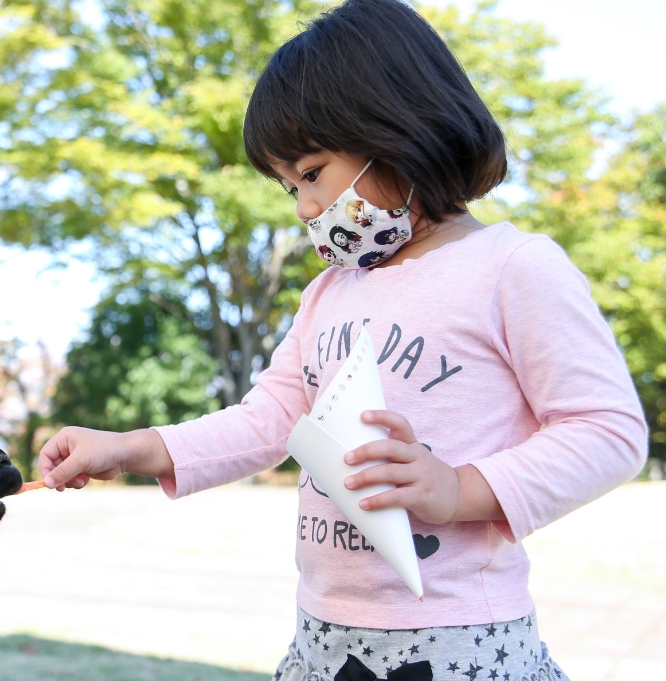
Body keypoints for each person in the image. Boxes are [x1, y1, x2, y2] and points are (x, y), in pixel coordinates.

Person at [35, 1, 648, 679]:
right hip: (323, 636)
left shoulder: (515, 268)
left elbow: (608, 430)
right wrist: (132, 447)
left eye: (311, 172)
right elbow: (269, 420)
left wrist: (460, 488)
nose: (301, 207)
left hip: (459, 637)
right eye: (287, 184)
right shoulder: (328, 293)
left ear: (397, 127)